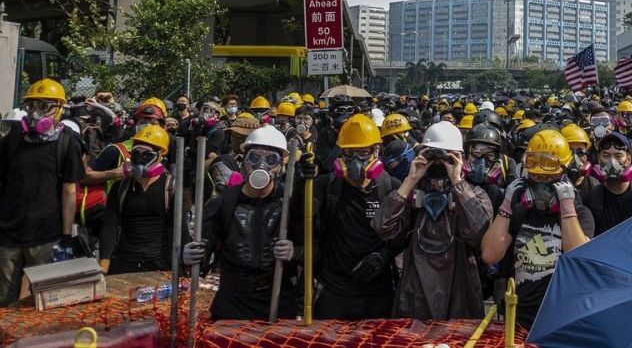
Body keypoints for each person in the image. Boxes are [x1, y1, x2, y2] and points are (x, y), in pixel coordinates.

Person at [373, 121, 492, 320]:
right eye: (432, 155)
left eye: (445, 155)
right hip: (415, 293)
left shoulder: (474, 194)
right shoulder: (411, 195)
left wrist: (457, 182)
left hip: (459, 292)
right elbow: (382, 227)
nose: (438, 163)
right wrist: (410, 181)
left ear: (459, 157)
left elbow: (478, 233)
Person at [481, 131, 594, 329]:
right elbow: (490, 255)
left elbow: (579, 257)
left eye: (548, 179)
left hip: (562, 320)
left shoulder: (581, 214)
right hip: (518, 318)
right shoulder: (519, 213)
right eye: (535, 177)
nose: (541, 185)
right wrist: (506, 206)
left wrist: (567, 207)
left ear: (564, 176)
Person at [183, 126, 298, 320]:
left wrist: (295, 252)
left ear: (280, 166)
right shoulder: (225, 200)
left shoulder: (290, 203)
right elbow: (206, 240)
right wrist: (190, 255)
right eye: (254, 158)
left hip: (277, 298)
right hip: (233, 300)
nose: (261, 165)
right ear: (243, 161)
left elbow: (314, 248)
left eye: (271, 159)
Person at [298, 114, 405, 320]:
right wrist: (300, 183)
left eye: (363, 153)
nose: (356, 160)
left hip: (378, 292)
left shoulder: (391, 188)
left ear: (376, 150)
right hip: (334, 291)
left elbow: (404, 234)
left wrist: (385, 255)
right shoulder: (324, 187)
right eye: (349, 153)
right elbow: (300, 219)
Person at [0, 79, 85, 306]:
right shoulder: (12, 140)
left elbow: (69, 190)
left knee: (41, 299)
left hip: (45, 235)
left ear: (59, 109)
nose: (36, 113)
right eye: (31, 106)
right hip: (9, 232)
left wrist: (66, 235)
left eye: (45, 106)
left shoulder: (67, 143)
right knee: (4, 297)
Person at [99, 125, 186, 273]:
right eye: (136, 154)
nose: (140, 159)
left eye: (146, 155)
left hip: (159, 263)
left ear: (159, 156)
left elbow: (179, 230)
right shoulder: (121, 187)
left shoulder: (171, 188)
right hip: (124, 261)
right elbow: (109, 226)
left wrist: (182, 266)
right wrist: (104, 263)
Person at [585, 132, 632, 233]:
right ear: (599, 159)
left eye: (618, 156)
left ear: (628, 160)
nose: (612, 162)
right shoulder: (591, 199)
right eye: (606, 156)